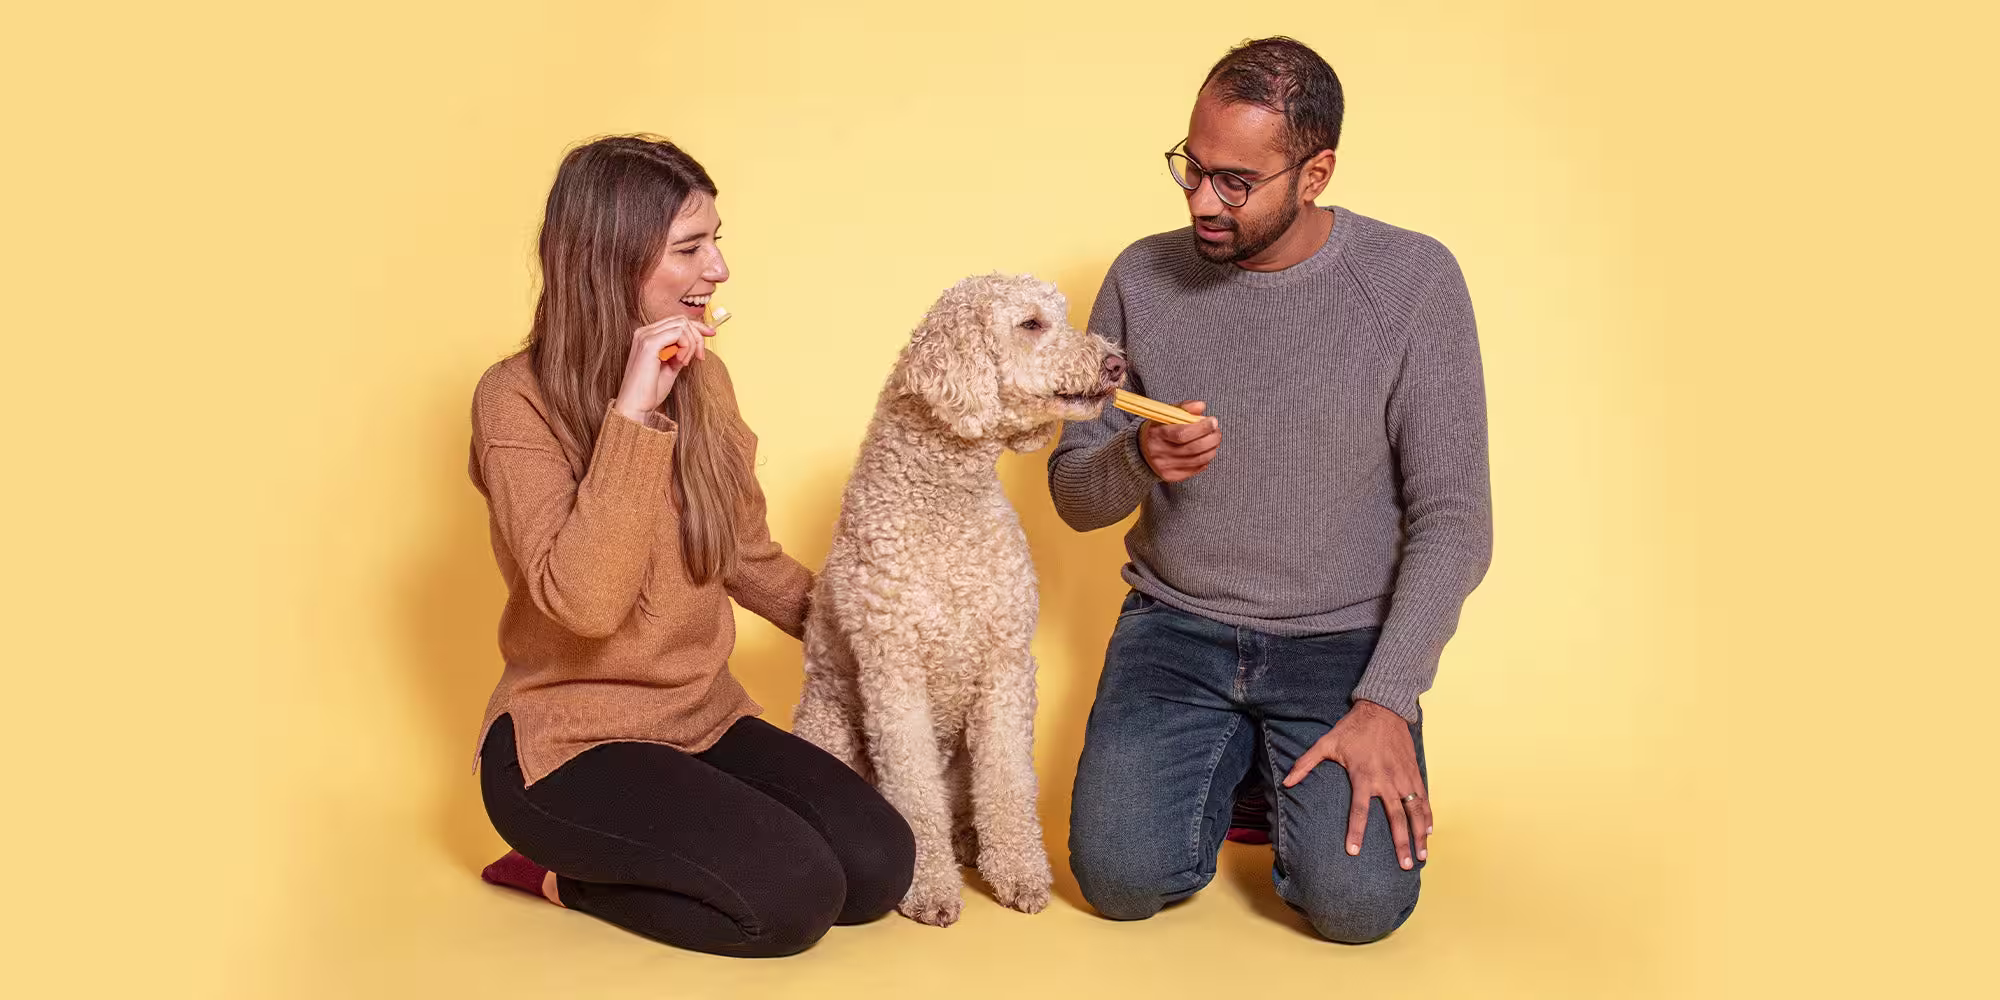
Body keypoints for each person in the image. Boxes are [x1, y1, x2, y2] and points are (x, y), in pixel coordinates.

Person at [1051, 38, 1493, 943]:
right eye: (1192, 168)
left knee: (1357, 909)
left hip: (1342, 644)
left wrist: (1387, 700)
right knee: (1119, 882)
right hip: (1175, 628)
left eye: (1236, 183)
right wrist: (1140, 459)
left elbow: (1454, 520)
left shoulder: (1411, 282)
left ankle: (1273, 765)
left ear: (1315, 172)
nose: (1202, 201)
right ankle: (1243, 758)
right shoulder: (1142, 275)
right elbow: (1072, 496)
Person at [467, 135, 914, 958]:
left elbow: (746, 556)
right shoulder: (513, 400)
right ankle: (560, 876)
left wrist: (873, 630)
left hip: (699, 718)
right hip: (566, 745)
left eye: (717, 241)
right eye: (690, 248)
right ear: (612, 262)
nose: (719, 269)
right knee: (793, 901)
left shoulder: (705, 377)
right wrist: (632, 417)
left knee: (881, 868)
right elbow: (587, 603)